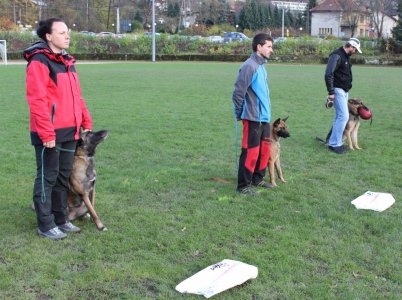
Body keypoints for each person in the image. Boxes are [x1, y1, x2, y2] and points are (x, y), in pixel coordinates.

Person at [24, 18, 93, 240]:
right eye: (61, 32)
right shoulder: (39, 61)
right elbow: (37, 100)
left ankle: (60, 219)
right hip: (49, 133)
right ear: (48, 36)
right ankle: (45, 224)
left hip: (70, 131)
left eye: (67, 32)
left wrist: (85, 119)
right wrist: (46, 133)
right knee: (47, 177)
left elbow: (76, 96)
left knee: (63, 177)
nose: (67, 36)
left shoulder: (67, 61)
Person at [232, 33, 274, 196]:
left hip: (264, 118)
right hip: (252, 117)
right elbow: (238, 92)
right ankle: (243, 185)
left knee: (264, 150)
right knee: (251, 151)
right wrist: (240, 113)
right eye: (269, 46)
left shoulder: (262, 66)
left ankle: (258, 178)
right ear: (259, 47)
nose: (272, 50)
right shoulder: (249, 66)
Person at [324, 38, 362, 154]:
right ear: (350, 46)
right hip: (337, 89)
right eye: (355, 49)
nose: (355, 52)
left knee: (339, 116)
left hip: (344, 90)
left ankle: (334, 141)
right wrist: (331, 92)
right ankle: (335, 144)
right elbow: (328, 74)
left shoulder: (345, 56)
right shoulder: (336, 55)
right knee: (343, 116)